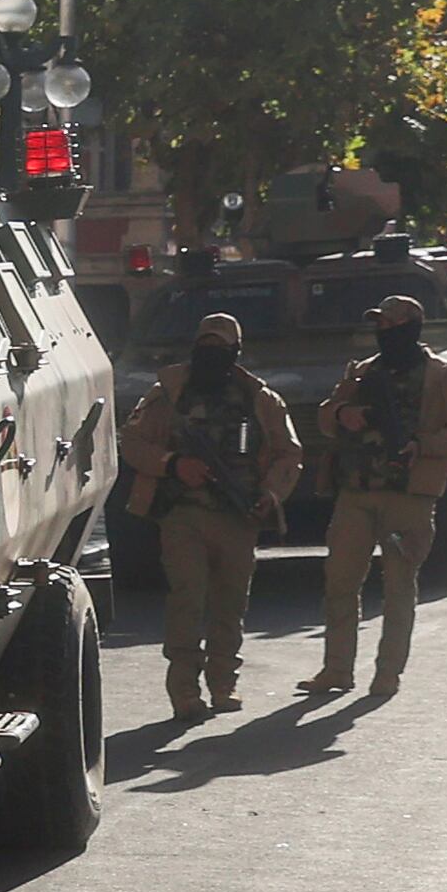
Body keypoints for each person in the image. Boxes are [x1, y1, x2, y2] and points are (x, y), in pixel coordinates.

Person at [122, 309, 302, 724]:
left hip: (237, 519)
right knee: (187, 599)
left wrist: (271, 495)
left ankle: (223, 682)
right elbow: (132, 442)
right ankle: (184, 690)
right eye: (205, 346)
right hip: (183, 515)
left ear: (236, 352)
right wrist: (172, 464)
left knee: (230, 605)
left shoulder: (259, 399)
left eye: (220, 348)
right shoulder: (168, 394)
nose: (211, 355)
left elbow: (289, 453)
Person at [306, 292, 447, 704]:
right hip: (357, 492)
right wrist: (343, 413)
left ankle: (387, 674)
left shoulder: (441, 376)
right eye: (379, 325)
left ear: (410, 328)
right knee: (341, 581)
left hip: (408, 498)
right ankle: (336, 669)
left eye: (390, 325)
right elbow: (326, 418)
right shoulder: (363, 372)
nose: (382, 332)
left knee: (399, 587)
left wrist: (424, 443)